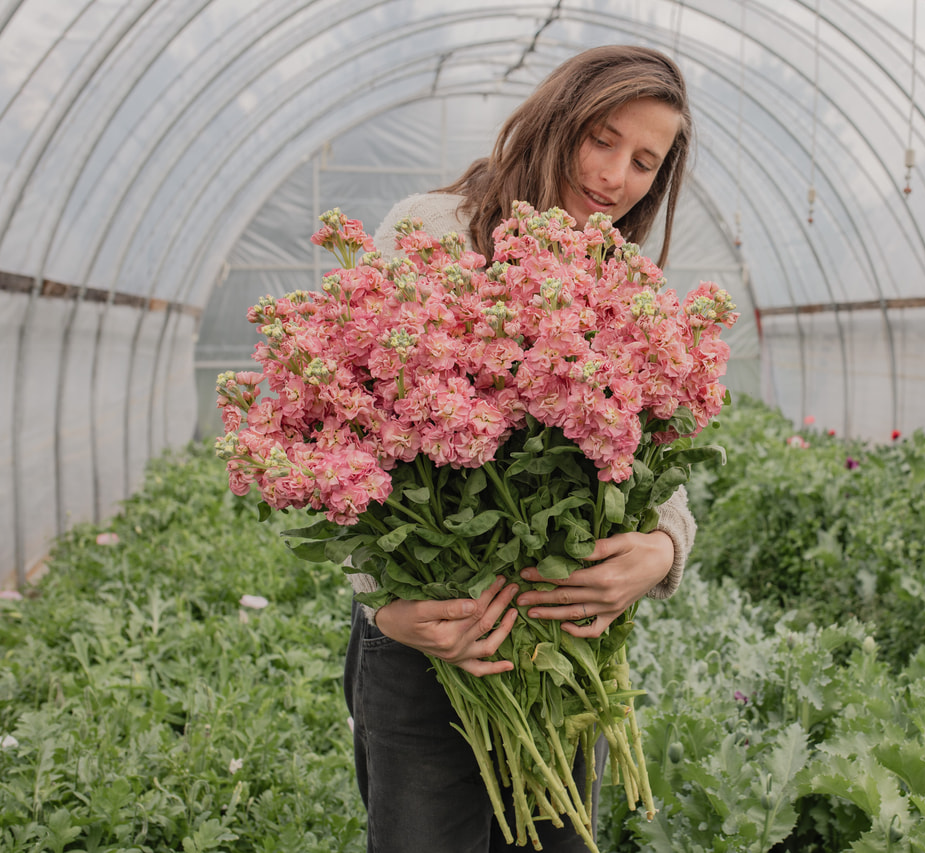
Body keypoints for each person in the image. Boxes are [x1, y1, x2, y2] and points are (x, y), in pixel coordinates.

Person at [342, 44, 698, 853]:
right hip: (431, 630)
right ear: (557, 117)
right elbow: (344, 442)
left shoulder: (619, 271)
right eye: (602, 139)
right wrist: (385, 607)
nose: (615, 176)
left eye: (644, 162)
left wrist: (663, 545)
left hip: (556, 633)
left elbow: (643, 446)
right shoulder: (429, 230)